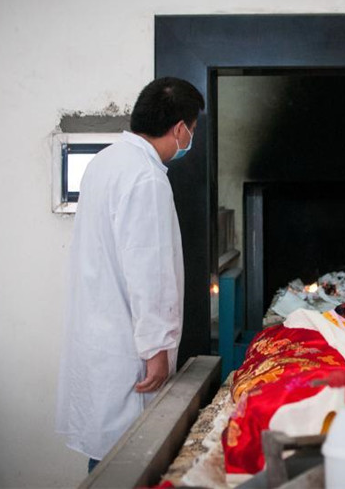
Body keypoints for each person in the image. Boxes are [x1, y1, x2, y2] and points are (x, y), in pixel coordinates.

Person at [56, 77, 204, 472]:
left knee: (108, 455)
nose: (190, 139)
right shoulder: (146, 177)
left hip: (100, 335)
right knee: (128, 459)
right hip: (129, 347)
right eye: (192, 130)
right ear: (180, 129)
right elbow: (148, 270)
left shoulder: (105, 162)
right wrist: (156, 349)